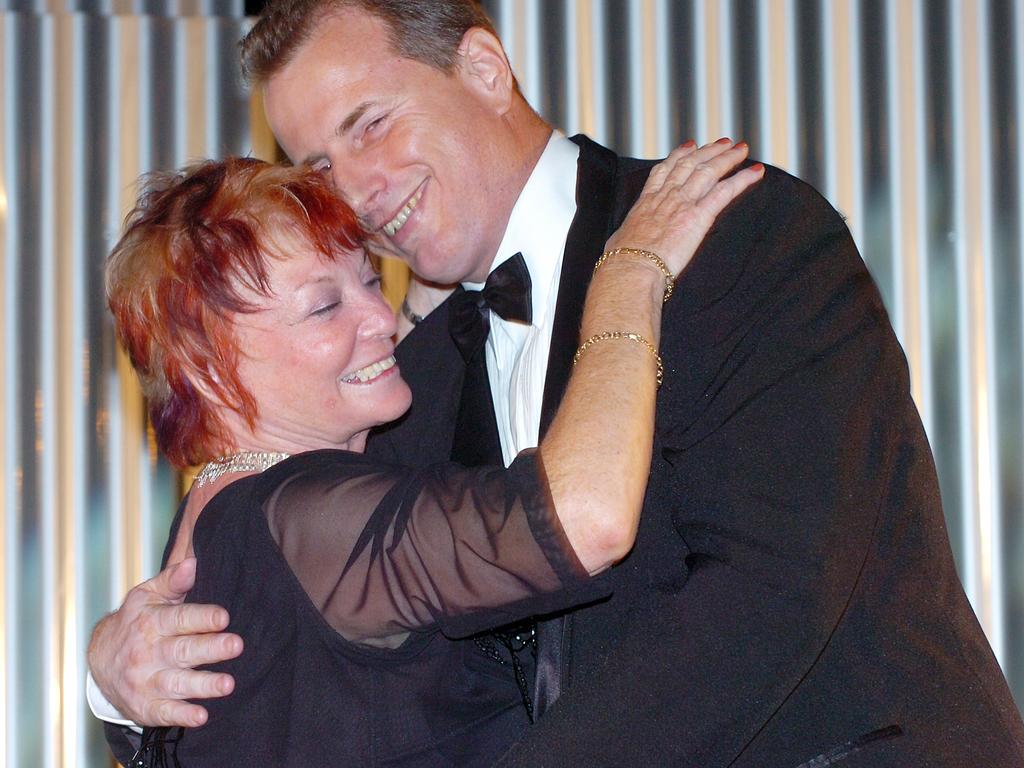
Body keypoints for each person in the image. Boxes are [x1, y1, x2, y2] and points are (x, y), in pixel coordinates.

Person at [90, 1, 1024, 765]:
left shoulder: (729, 232)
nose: (360, 189)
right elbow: (297, 675)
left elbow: (776, 588)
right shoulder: (393, 382)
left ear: (486, 70)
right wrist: (119, 689)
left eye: (371, 123)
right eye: (322, 167)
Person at [98, 146, 759, 766]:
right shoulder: (304, 518)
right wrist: (628, 273)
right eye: (325, 307)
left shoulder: (214, 524)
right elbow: (584, 519)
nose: (378, 318)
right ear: (209, 374)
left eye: (367, 281)